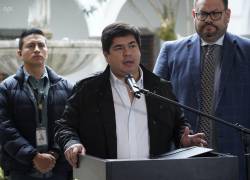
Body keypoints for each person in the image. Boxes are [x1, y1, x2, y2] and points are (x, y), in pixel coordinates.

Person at [54, 22, 207, 169]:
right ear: (106, 55)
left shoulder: (160, 87)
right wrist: (72, 143)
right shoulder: (88, 89)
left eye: (132, 46)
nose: (127, 53)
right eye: (119, 48)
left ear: (139, 49)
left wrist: (184, 139)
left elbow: (179, 124)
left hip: (154, 174)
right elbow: (64, 126)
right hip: (106, 174)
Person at [153, 0, 250, 179]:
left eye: (215, 14)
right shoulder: (170, 51)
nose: (209, 20)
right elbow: (154, 106)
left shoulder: (247, 51)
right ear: (194, 15)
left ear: (227, 15)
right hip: (184, 159)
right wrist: (177, 136)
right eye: (203, 14)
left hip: (236, 161)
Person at [0, 28, 73, 180]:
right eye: (30, 46)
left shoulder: (67, 87)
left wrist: (55, 153)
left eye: (41, 45)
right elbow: (4, 128)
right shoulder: (5, 88)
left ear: (47, 51)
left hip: (58, 168)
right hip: (21, 169)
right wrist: (33, 156)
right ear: (19, 53)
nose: (37, 49)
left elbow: (71, 123)